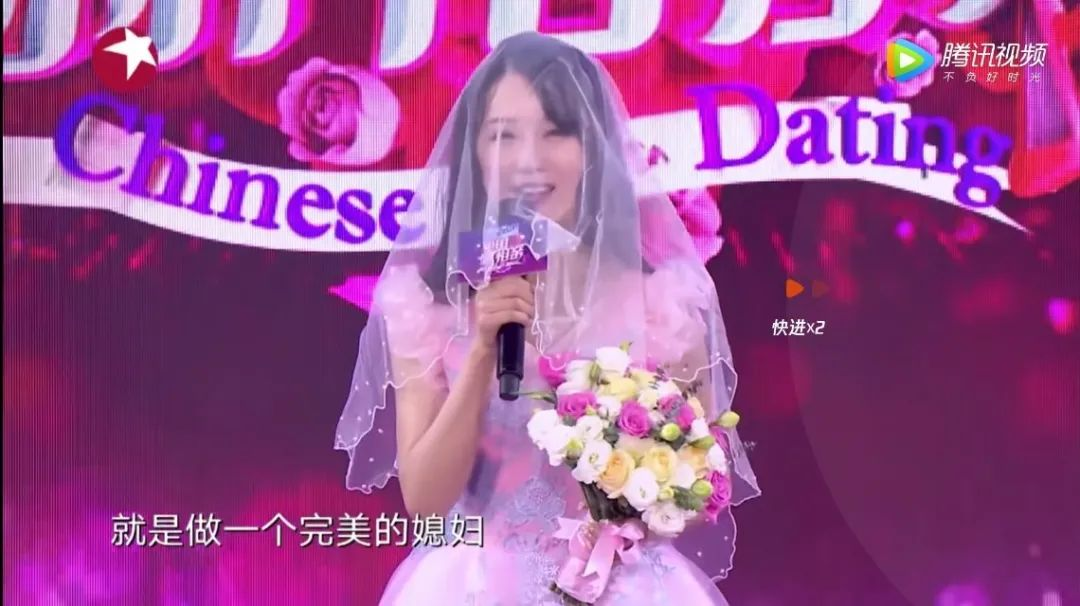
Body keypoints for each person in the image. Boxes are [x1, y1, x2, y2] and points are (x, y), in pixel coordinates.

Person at [335, 32, 759, 605]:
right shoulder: (428, 308)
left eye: (556, 132)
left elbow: (699, 490)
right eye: (502, 135)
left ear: (595, 148)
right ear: (474, 153)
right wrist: (482, 351)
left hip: (621, 585)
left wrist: (626, 491)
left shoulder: (663, 303)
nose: (528, 160)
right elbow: (426, 502)